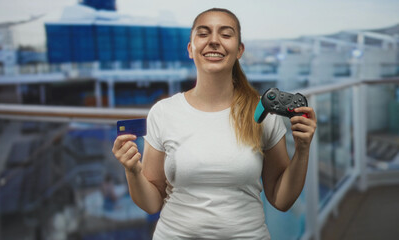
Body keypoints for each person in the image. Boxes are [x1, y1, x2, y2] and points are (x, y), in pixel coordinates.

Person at [112, 8, 317, 239]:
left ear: (239, 50)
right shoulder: (163, 112)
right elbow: (151, 204)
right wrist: (132, 171)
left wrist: (302, 150)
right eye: (203, 33)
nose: (214, 41)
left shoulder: (261, 112)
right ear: (191, 49)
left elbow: (281, 200)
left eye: (226, 34)